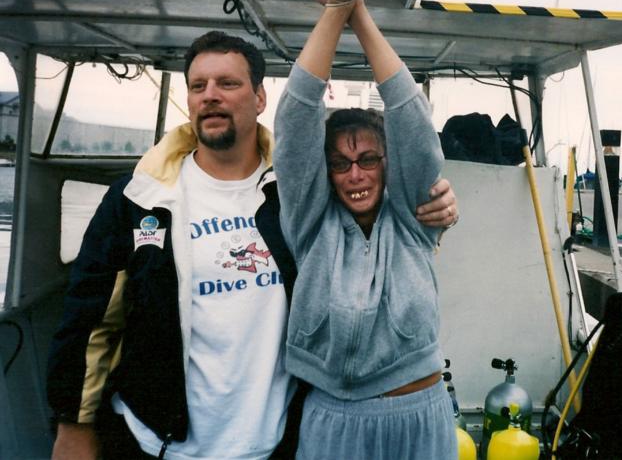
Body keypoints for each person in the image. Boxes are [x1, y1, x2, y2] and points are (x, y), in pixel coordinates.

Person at [46, 29, 459, 457]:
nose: (210, 95)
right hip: (161, 442)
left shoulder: (292, 198)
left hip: (274, 443)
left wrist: (439, 205)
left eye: (228, 83)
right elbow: (90, 319)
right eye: (198, 85)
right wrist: (73, 423)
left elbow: (393, 189)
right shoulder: (140, 198)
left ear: (261, 99)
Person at [273, 0, 457, 459]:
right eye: (340, 162)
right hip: (336, 422)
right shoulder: (309, 223)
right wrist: (336, 9)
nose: (355, 174)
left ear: (389, 165)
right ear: (325, 173)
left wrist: (358, 10)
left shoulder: (416, 217)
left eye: (369, 159)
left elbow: (413, 121)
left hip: (421, 419)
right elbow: (294, 120)